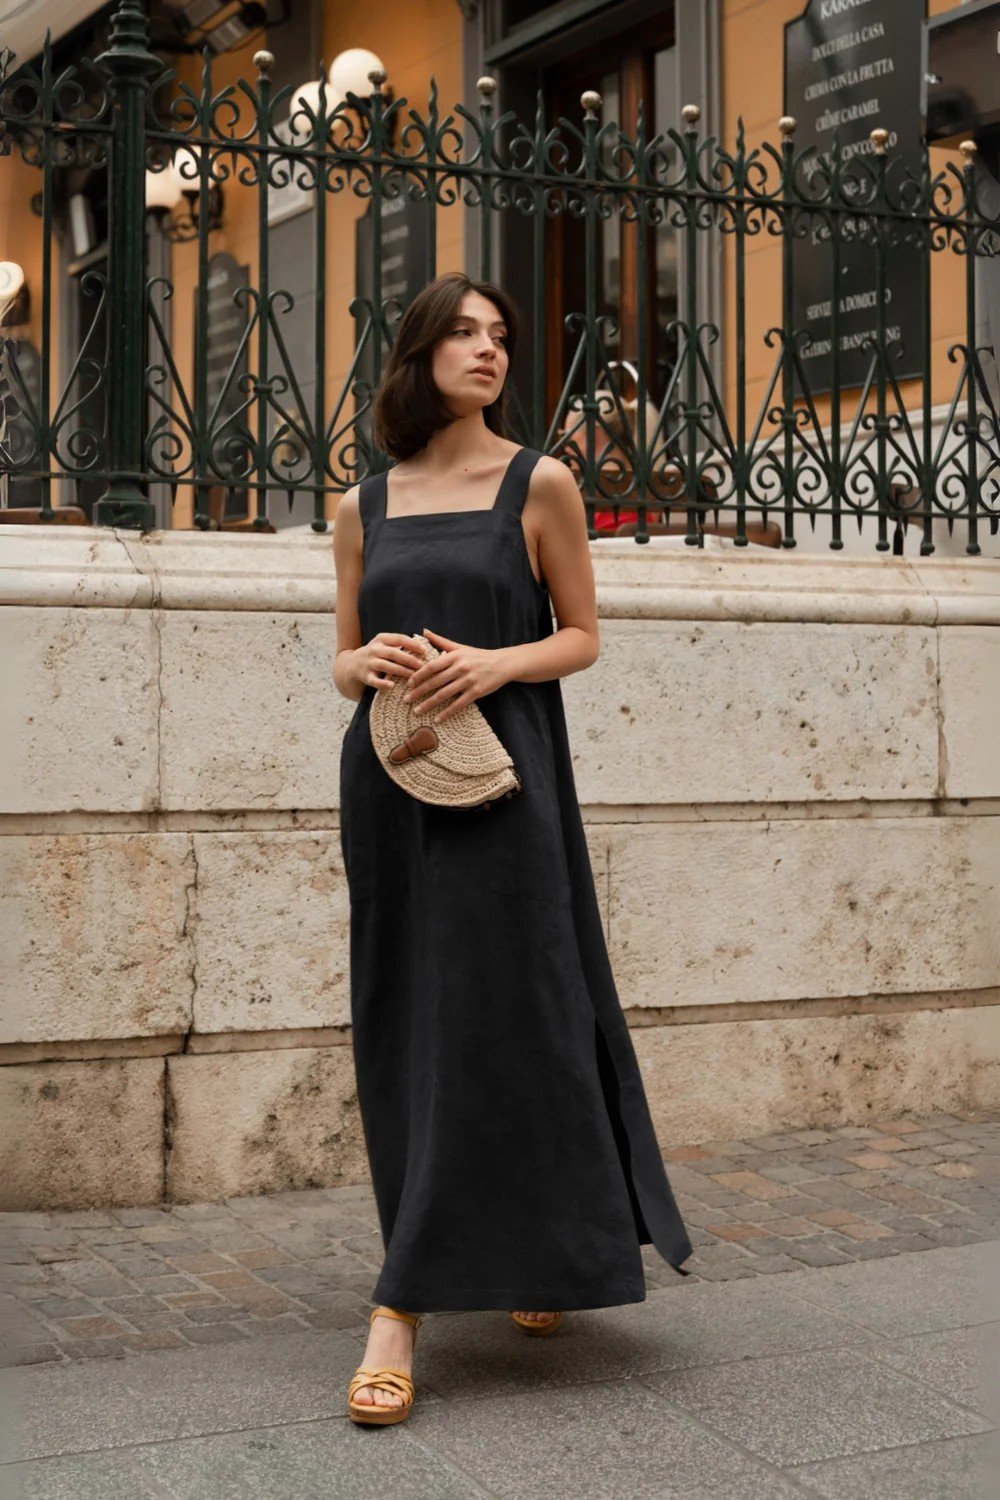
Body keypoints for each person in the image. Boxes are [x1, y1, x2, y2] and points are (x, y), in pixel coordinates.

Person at [332, 270, 691, 1426]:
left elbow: (582, 635)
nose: (488, 351)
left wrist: (495, 661)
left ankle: (464, 1279)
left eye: (501, 336)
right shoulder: (362, 505)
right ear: (419, 353)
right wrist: (370, 663)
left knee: (523, 1008)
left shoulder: (540, 481)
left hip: (507, 780)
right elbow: (338, 659)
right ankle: (416, 1285)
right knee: (411, 1019)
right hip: (391, 785)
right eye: (464, 334)